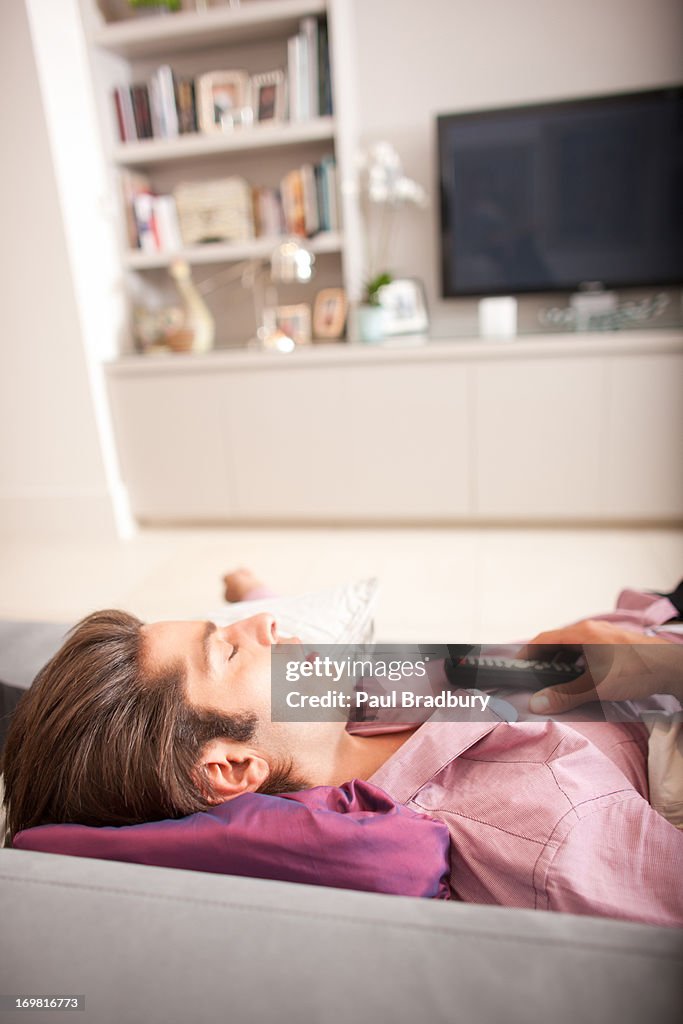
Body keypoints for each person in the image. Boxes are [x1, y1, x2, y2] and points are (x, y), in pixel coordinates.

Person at [2, 571, 682, 927]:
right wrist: (662, 666)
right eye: (230, 647)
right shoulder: (543, 832)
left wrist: (255, 597)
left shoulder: (345, 702)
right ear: (232, 767)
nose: (267, 624)